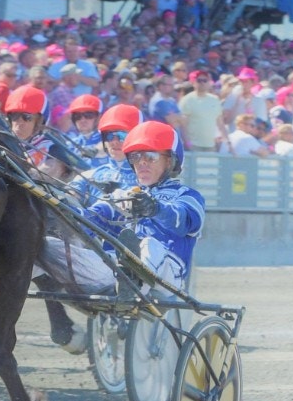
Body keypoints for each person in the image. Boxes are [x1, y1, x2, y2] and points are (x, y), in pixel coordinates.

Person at [84, 121, 206, 295]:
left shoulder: (188, 195)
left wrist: (155, 208)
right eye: (135, 157)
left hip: (168, 275)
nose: (141, 163)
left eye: (150, 156)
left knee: (148, 243)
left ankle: (132, 286)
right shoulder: (124, 194)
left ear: (170, 161)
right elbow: (94, 217)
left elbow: (183, 221)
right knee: (51, 246)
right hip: (118, 267)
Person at [4, 84, 71, 180]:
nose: (19, 123)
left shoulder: (51, 146)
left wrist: (27, 174)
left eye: (26, 117)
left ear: (39, 122)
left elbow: (53, 170)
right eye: (14, 116)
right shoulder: (2, 143)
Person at [66, 94, 106, 167]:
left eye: (88, 115)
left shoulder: (109, 139)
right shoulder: (70, 144)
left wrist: (94, 150)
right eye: (77, 116)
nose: (82, 120)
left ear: (99, 117)